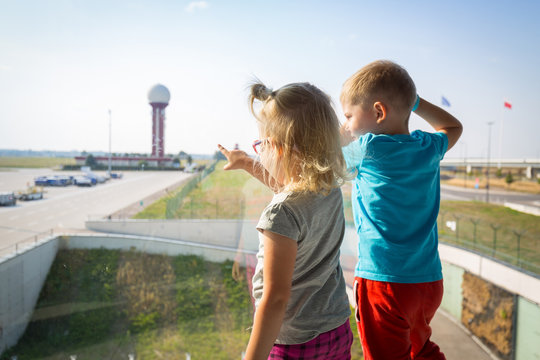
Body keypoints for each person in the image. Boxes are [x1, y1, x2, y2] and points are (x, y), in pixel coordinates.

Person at [218, 81, 353, 360]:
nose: (259, 152)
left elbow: (275, 299)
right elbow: (287, 185)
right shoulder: (328, 188)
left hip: (294, 342)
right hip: (337, 328)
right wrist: (245, 163)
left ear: (280, 150)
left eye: (261, 145)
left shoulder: (281, 214)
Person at [340, 60, 463, 360]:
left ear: (379, 112)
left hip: (384, 283)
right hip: (428, 283)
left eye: (348, 116)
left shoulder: (367, 148)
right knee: (419, 348)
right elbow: (453, 127)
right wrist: (414, 102)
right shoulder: (427, 146)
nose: (346, 125)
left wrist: (340, 137)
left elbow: (328, 162)